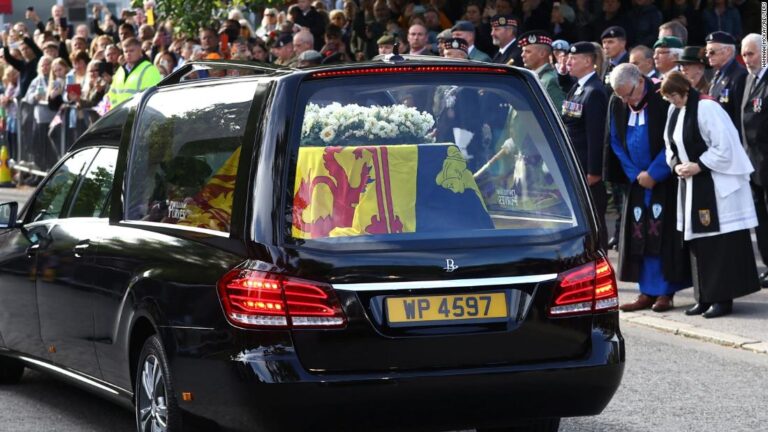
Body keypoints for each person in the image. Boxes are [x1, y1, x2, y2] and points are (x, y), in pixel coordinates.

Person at [661, 71, 759, 318]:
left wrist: (699, 165)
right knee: (698, 243)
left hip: (715, 186)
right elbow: (669, 146)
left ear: (684, 90)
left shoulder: (707, 108)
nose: (672, 101)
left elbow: (725, 147)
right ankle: (704, 296)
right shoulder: (674, 110)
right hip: (691, 185)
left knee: (717, 245)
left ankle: (722, 299)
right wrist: (676, 165)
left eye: (674, 96)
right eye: (668, 98)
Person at [606, 64, 689, 312]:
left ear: (640, 82)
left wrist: (654, 173)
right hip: (637, 182)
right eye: (621, 96)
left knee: (661, 236)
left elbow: (673, 139)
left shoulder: (661, 98)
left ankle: (665, 292)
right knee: (639, 235)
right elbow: (615, 140)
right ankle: (646, 292)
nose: (626, 100)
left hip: (663, 179)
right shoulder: (618, 101)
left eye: (629, 94)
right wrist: (635, 174)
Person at [562, 41, 609, 250]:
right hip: (576, 165)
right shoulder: (578, 87)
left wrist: (594, 171)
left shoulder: (594, 91)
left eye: (573, 58)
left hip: (587, 169)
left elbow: (596, 135)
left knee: (594, 221)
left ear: (588, 61)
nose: (568, 62)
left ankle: (600, 258)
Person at [739, 33, 768, 288]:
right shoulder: (750, 79)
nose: (747, 59)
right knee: (761, 219)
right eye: (744, 54)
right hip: (753, 164)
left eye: (751, 53)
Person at [705, 31, 746, 136]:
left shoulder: (740, 76)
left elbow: (739, 115)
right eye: (706, 51)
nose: (707, 55)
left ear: (728, 51)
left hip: (730, 136)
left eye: (712, 52)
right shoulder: (718, 75)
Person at [106, 38, 162, 110]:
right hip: (119, 114)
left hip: (138, 114)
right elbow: (112, 94)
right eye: (126, 51)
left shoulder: (150, 69)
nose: (128, 54)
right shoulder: (120, 70)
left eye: (131, 51)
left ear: (140, 51)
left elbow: (151, 96)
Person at [517, 30, 565, 109]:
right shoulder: (531, 76)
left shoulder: (550, 80)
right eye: (523, 51)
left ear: (542, 54)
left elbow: (559, 112)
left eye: (528, 52)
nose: (522, 55)